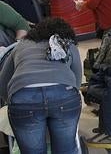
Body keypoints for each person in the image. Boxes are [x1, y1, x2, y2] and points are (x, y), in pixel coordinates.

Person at [0, 17, 82, 154]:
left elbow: (2, 83)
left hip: (23, 97)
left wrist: (13, 103)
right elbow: (77, 80)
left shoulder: (21, 45)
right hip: (64, 94)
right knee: (66, 150)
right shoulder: (67, 43)